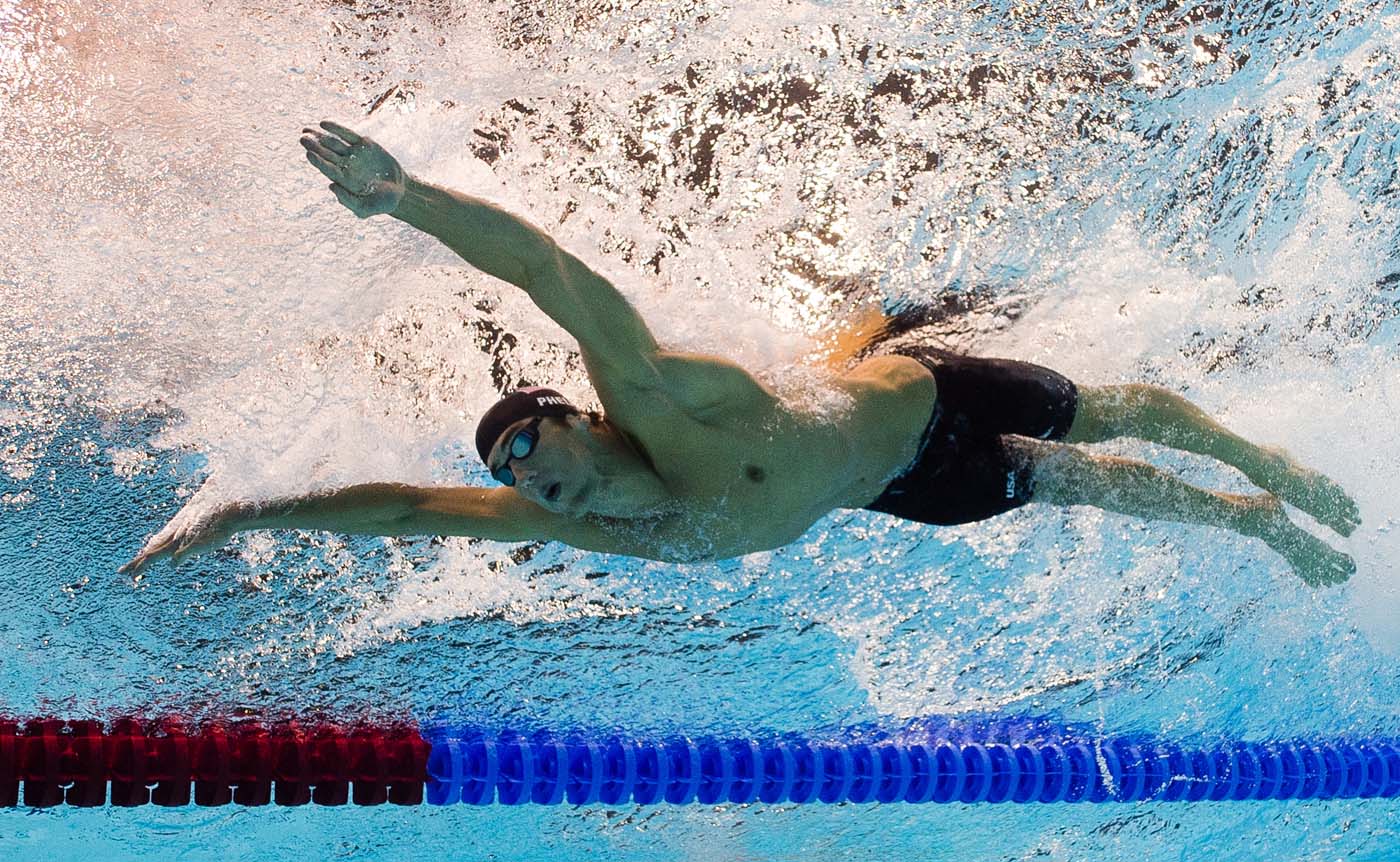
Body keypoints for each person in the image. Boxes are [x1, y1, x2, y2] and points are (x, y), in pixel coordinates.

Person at [120, 120, 1361, 586]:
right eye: (505, 469)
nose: (519, 475)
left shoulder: (652, 400)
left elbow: (545, 270)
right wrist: (241, 514)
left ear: (577, 417)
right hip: (898, 490)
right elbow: (398, 508)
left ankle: (1256, 457)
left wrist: (406, 202)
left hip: (914, 393)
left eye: (527, 442)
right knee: (1087, 489)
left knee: (1107, 415)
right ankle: (1253, 518)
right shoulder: (590, 527)